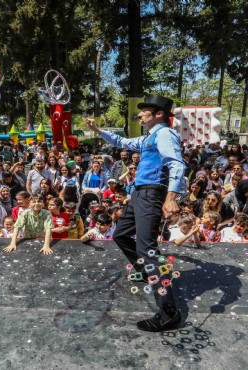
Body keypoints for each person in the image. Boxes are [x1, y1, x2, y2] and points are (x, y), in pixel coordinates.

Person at [86, 94, 185, 332]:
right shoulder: (148, 137)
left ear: (158, 114)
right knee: (120, 234)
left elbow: (177, 164)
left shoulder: (164, 134)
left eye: (144, 111)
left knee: (147, 249)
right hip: (139, 193)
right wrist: (98, 130)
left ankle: (169, 312)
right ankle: (144, 271)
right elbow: (121, 141)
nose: (139, 114)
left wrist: (171, 198)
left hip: (152, 194)